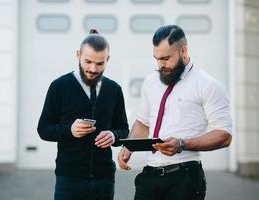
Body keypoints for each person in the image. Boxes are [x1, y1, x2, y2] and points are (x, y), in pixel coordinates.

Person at [117, 25, 232, 200]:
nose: (160, 65)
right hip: (149, 176)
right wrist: (129, 146)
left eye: (165, 58)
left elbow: (224, 135)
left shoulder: (208, 85)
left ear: (183, 51)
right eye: (156, 59)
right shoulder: (150, 81)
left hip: (184, 178)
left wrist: (182, 144)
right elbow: (143, 122)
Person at [37, 29, 129, 200]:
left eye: (100, 63)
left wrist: (113, 135)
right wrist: (69, 130)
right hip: (69, 180)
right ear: (78, 54)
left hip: (104, 180)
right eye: (88, 61)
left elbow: (123, 129)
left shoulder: (114, 90)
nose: (93, 69)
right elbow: (43, 129)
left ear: (107, 59)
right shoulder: (59, 86)